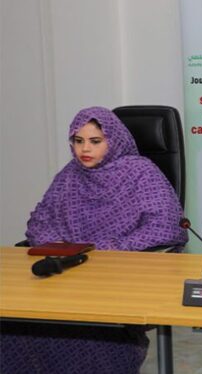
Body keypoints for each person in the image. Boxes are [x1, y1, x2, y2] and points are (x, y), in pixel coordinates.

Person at [0, 106, 187, 374]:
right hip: (67, 273)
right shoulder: (70, 174)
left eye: (95, 141)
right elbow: (40, 221)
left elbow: (166, 226)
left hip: (119, 275)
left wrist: (113, 249)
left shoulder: (141, 172)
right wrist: (58, 245)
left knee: (90, 337)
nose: (84, 149)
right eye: (78, 141)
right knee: (15, 323)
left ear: (114, 141)